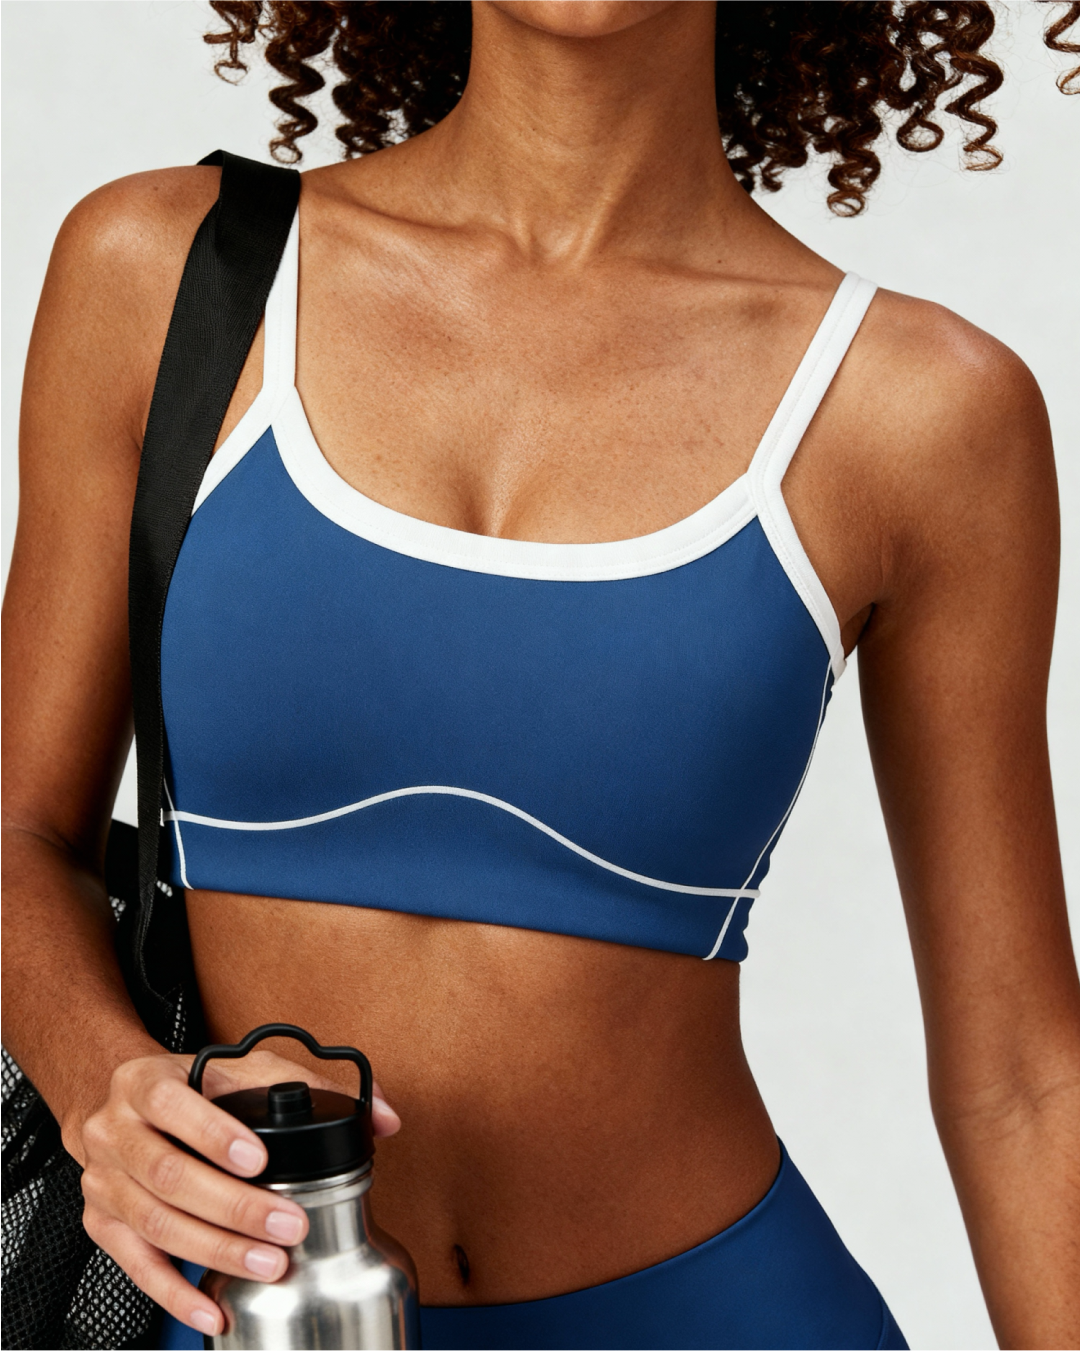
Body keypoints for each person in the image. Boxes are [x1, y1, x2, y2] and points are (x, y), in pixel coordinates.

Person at [3, 0, 1079, 1346]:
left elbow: (1021, 1078)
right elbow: (19, 831)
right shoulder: (164, 274)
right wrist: (106, 1086)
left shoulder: (921, 407)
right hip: (257, 1312)